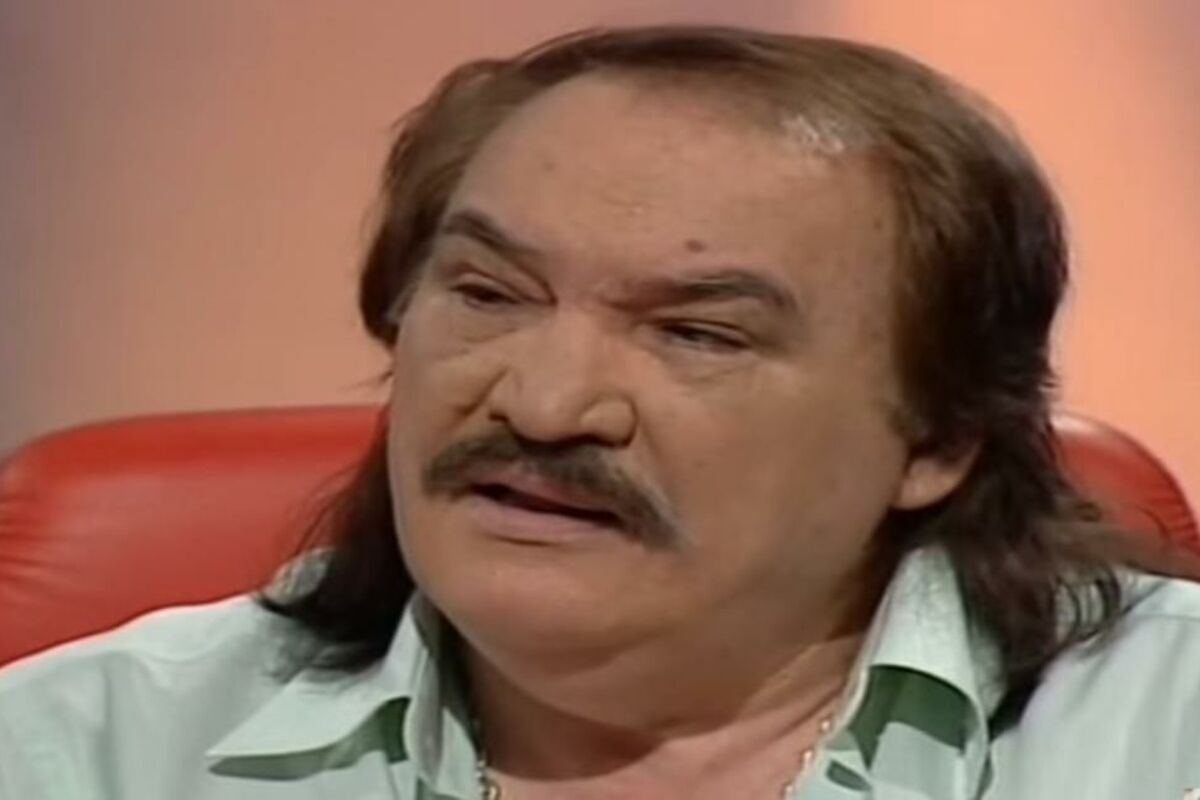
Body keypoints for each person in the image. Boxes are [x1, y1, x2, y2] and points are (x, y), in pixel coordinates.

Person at [0, 24, 1197, 800]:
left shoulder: (1161, 729)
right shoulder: (81, 752)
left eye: (698, 333)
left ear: (936, 435)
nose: (543, 400)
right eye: (488, 293)